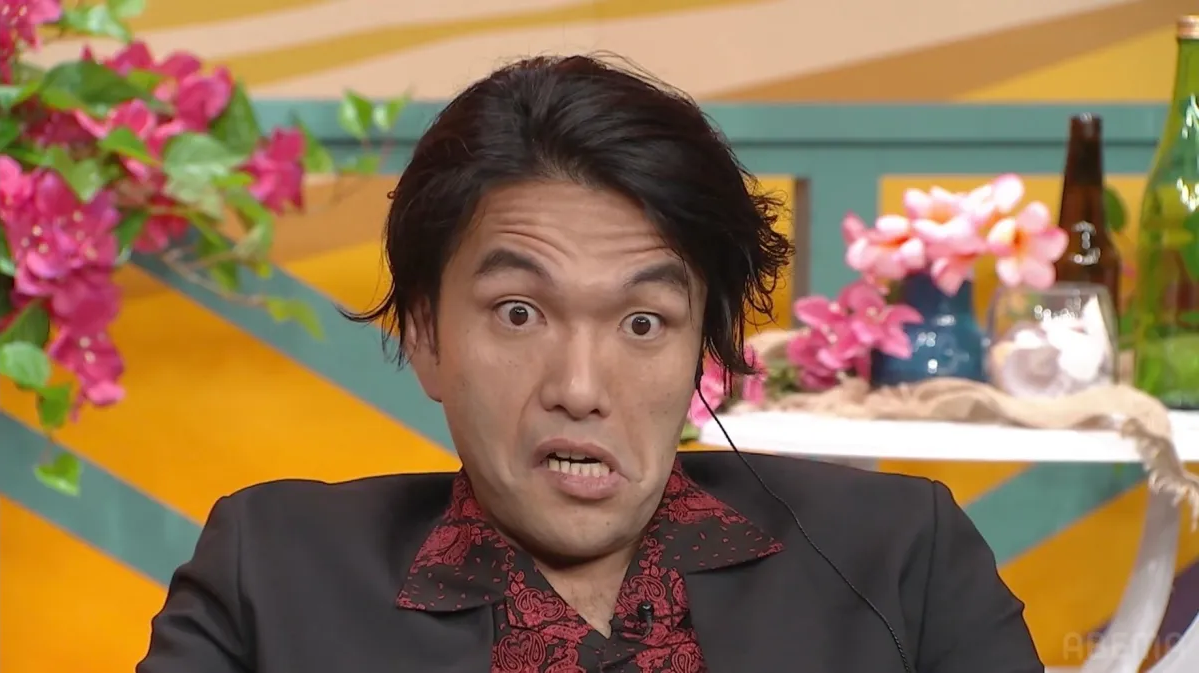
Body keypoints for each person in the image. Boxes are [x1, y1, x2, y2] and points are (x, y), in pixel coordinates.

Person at [136, 55, 1043, 673]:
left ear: (702, 350)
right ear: (425, 335)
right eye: (519, 313)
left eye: (644, 322)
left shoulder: (903, 558)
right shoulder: (271, 574)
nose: (579, 387)